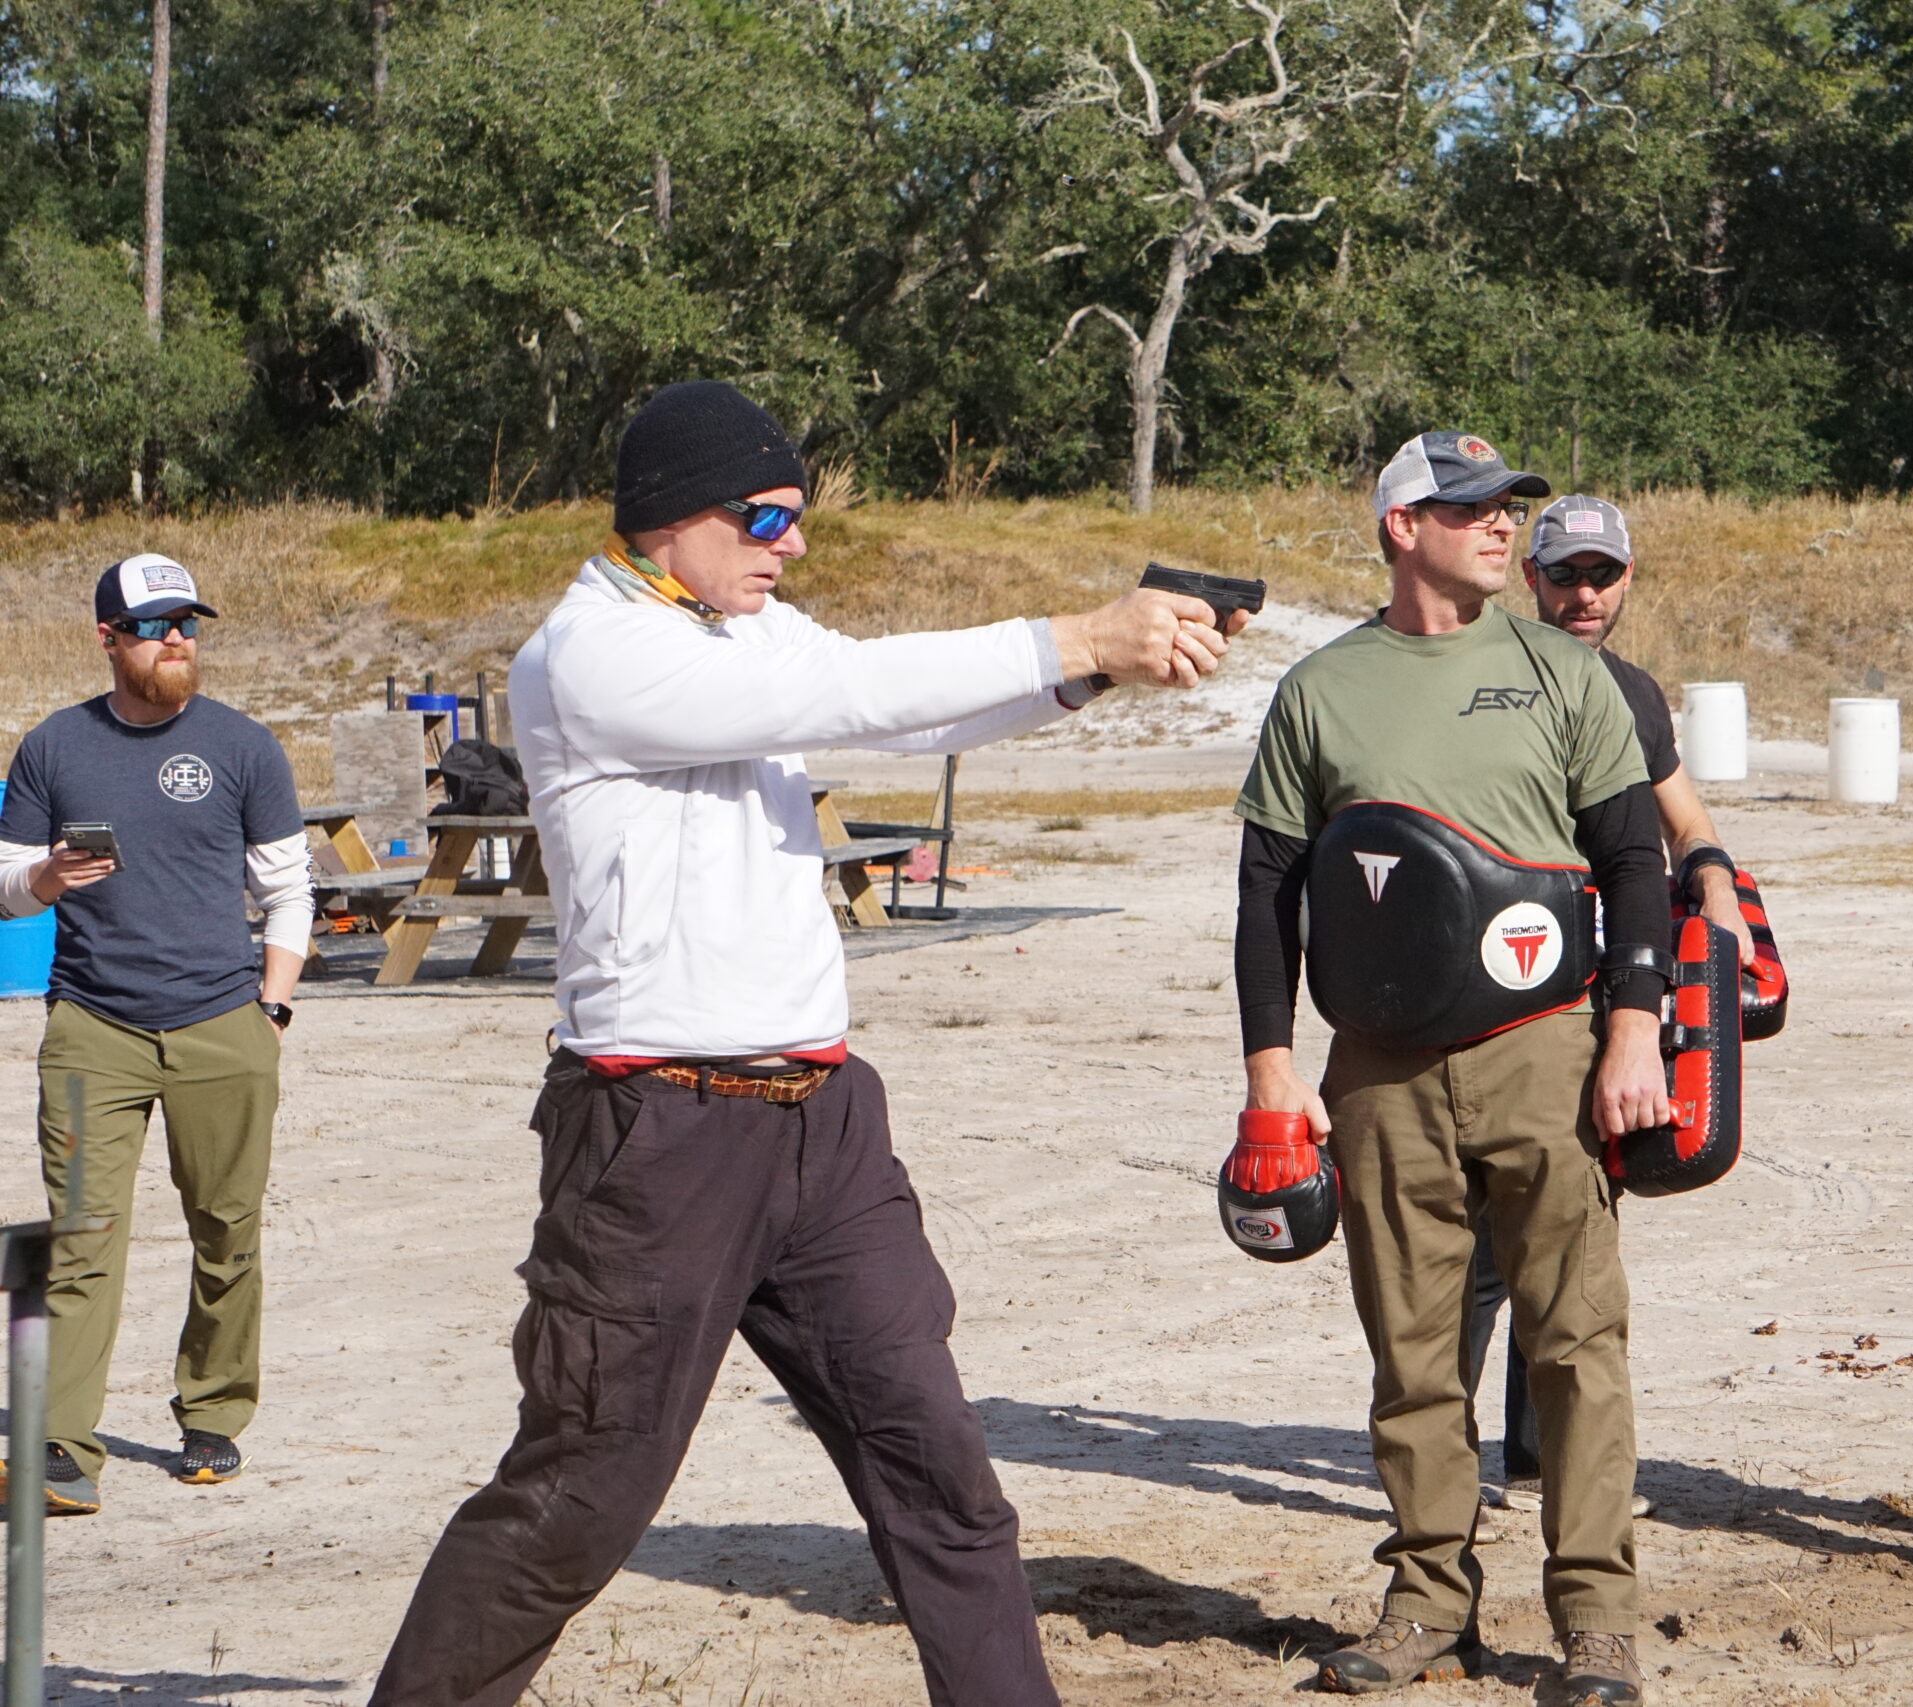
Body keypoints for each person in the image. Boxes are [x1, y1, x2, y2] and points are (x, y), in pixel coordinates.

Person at [368, 381, 1237, 1707]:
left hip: (822, 1122)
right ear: (671, 519)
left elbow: (901, 710)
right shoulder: (593, 651)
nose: (795, 543)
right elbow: (849, 684)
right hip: (656, 1129)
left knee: (940, 1473)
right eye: (767, 514)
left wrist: (1088, 665)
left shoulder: (733, 630)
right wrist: (1076, 626)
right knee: (580, 1497)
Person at [1235, 433, 1671, 1703]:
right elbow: (1268, 892)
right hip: (1375, 1067)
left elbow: (1633, 858)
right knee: (1412, 1351)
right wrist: (1273, 1067)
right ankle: (1428, 1601)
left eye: (1508, 510)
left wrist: (1633, 1027)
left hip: (1542, 1050)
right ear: (1399, 528)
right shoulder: (1321, 691)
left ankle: (1595, 1617)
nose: (1501, 528)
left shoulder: (1560, 672)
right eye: (1470, 508)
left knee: (1573, 1340)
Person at [0, 554, 314, 1516]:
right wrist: (48, 879)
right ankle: (60, 1449)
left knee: (226, 1230)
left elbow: (288, 888)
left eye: (187, 623)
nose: (176, 639)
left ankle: (213, 1415)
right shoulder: (53, 748)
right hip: (96, 1026)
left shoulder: (245, 746)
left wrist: (272, 1005)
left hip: (226, 1022)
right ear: (107, 638)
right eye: (153, 624)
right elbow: (6, 891)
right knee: (84, 1236)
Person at [1461, 493, 1755, 1516]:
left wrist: (1718, 890)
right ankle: (1443, 1466)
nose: (1583, 595)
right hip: (1495, 989)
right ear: (1530, 579)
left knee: (1573, 1232)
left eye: (1602, 576)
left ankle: (1540, 1460)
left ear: (1626, 580)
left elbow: (1680, 817)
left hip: (1605, 994)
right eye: (1564, 576)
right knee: (1476, 1249)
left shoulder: (1629, 692)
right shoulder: (1485, 675)